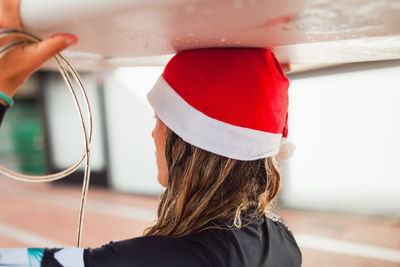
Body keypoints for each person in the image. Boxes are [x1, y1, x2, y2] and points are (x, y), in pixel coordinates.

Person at [0, 0, 301, 266]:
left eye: (160, 118)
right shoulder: (283, 241)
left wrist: (3, 83)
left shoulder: (162, 258)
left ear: (188, 141)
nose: (153, 134)